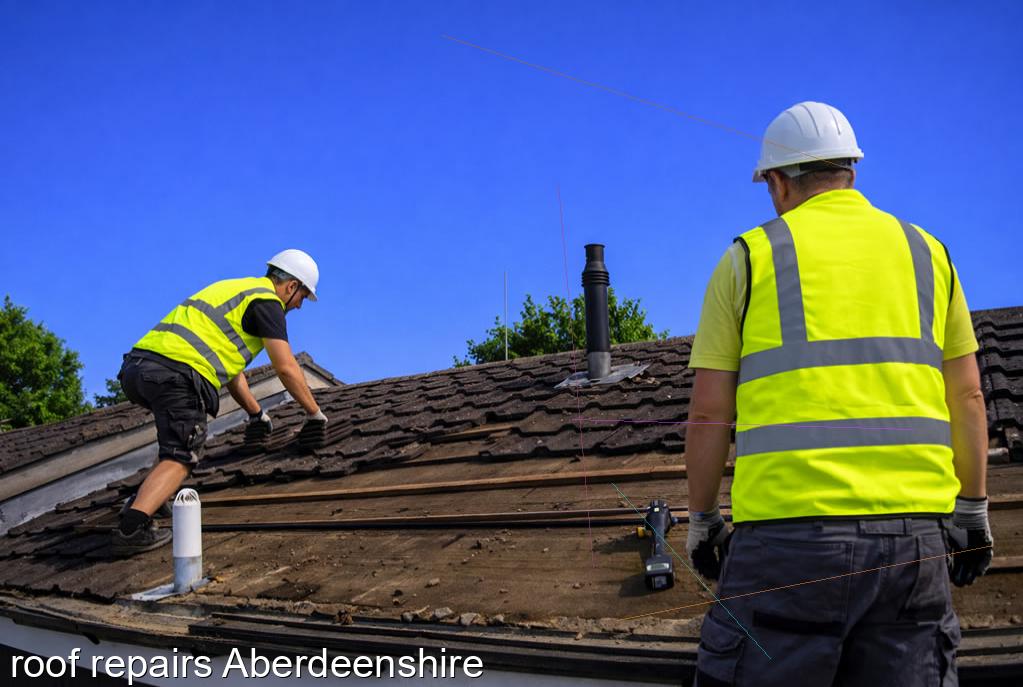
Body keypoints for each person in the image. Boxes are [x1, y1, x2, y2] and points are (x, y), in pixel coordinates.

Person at [683, 102, 992, 686]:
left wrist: (702, 520)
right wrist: (972, 510)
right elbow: (969, 397)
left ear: (777, 182)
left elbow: (707, 413)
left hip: (786, 541)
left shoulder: (748, 257)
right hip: (914, 544)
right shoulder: (929, 253)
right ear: (851, 171)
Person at [112, 249, 329, 556]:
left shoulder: (233, 289)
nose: (299, 306)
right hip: (177, 373)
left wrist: (257, 414)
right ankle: (132, 528)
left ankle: (145, 499)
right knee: (182, 455)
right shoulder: (268, 302)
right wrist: (315, 413)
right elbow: (286, 367)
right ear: (291, 286)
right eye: (303, 297)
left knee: (175, 437)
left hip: (139, 369)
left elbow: (231, 371)